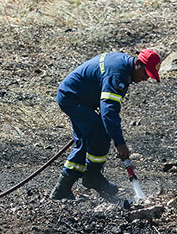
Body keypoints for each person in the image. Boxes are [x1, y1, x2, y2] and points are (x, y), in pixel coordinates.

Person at [49, 49, 162, 200]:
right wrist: (119, 143)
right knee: (100, 132)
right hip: (72, 98)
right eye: (145, 73)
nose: (146, 79)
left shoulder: (124, 67)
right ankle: (92, 176)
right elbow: (109, 112)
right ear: (138, 63)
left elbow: (107, 106)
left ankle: (63, 189)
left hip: (79, 97)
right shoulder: (118, 74)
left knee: (87, 139)